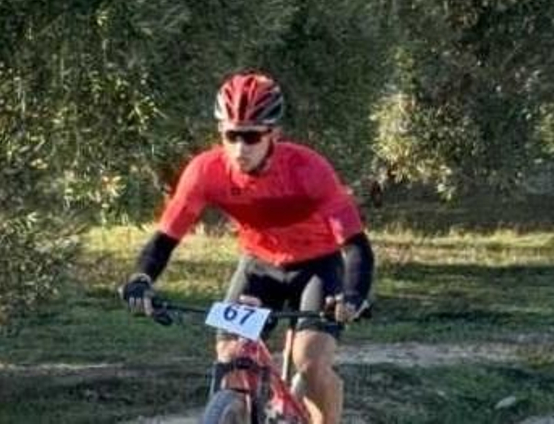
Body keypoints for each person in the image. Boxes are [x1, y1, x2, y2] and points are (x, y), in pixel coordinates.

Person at [119, 72, 374, 424]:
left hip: (317, 266)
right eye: (232, 135)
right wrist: (141, 278)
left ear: (274, 135)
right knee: (230, 354)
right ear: (220, 133)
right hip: (259, 265)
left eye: (252, 136)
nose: (241, 148)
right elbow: (166, 237)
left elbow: (356, 244)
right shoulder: (206, 171)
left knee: (310, 363)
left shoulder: (309, 169)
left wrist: (353, 294)